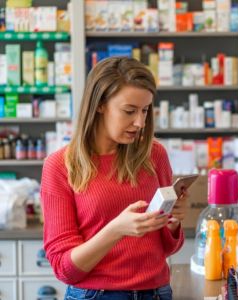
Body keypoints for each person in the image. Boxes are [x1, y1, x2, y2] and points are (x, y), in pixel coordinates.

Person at [41, 57, 187, 300]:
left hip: (157, 292)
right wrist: (116, 230)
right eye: (129, 111)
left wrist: (172, 222)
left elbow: (168, 248)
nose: (140, 122)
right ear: (99, 104)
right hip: (95, 294)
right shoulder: (60, 166)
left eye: (145, 110)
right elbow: (64, 268)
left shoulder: (154, 154)